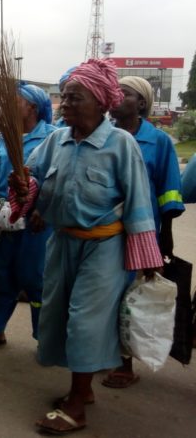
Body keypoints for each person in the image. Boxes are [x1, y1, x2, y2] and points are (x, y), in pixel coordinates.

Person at [8, 59, 162, 434]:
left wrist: (146, 260)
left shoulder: (120, 144)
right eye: (64, 98)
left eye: (75, 99)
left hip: (105, 246)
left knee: (86, 321)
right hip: (63, 243)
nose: (65, 105)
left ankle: (76, 405)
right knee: (57, 313)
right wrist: (27, 194)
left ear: (100, 102)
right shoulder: (56, 140)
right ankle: (84, 388)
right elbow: (34, 181)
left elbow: (140, 202)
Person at [103, 76, 185, 388]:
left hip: (141, 232)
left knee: (130, 297)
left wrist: (165, 238)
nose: (119, 96)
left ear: (142, 103)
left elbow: (169, 192)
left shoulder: (159, 141)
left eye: (127, 93)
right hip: (104, 229)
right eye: (117, 91)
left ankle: (125, 364)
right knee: (105, 294)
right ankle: (104, 354)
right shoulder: (103, 134)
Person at [0, 83, 55, 350]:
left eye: (15, 102)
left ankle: (44, 338)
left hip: (33, 223)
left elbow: (58, 182)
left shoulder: (53, 138)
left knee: (36, 280)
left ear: (33, 107)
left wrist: (43, 208)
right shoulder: (5, 137)